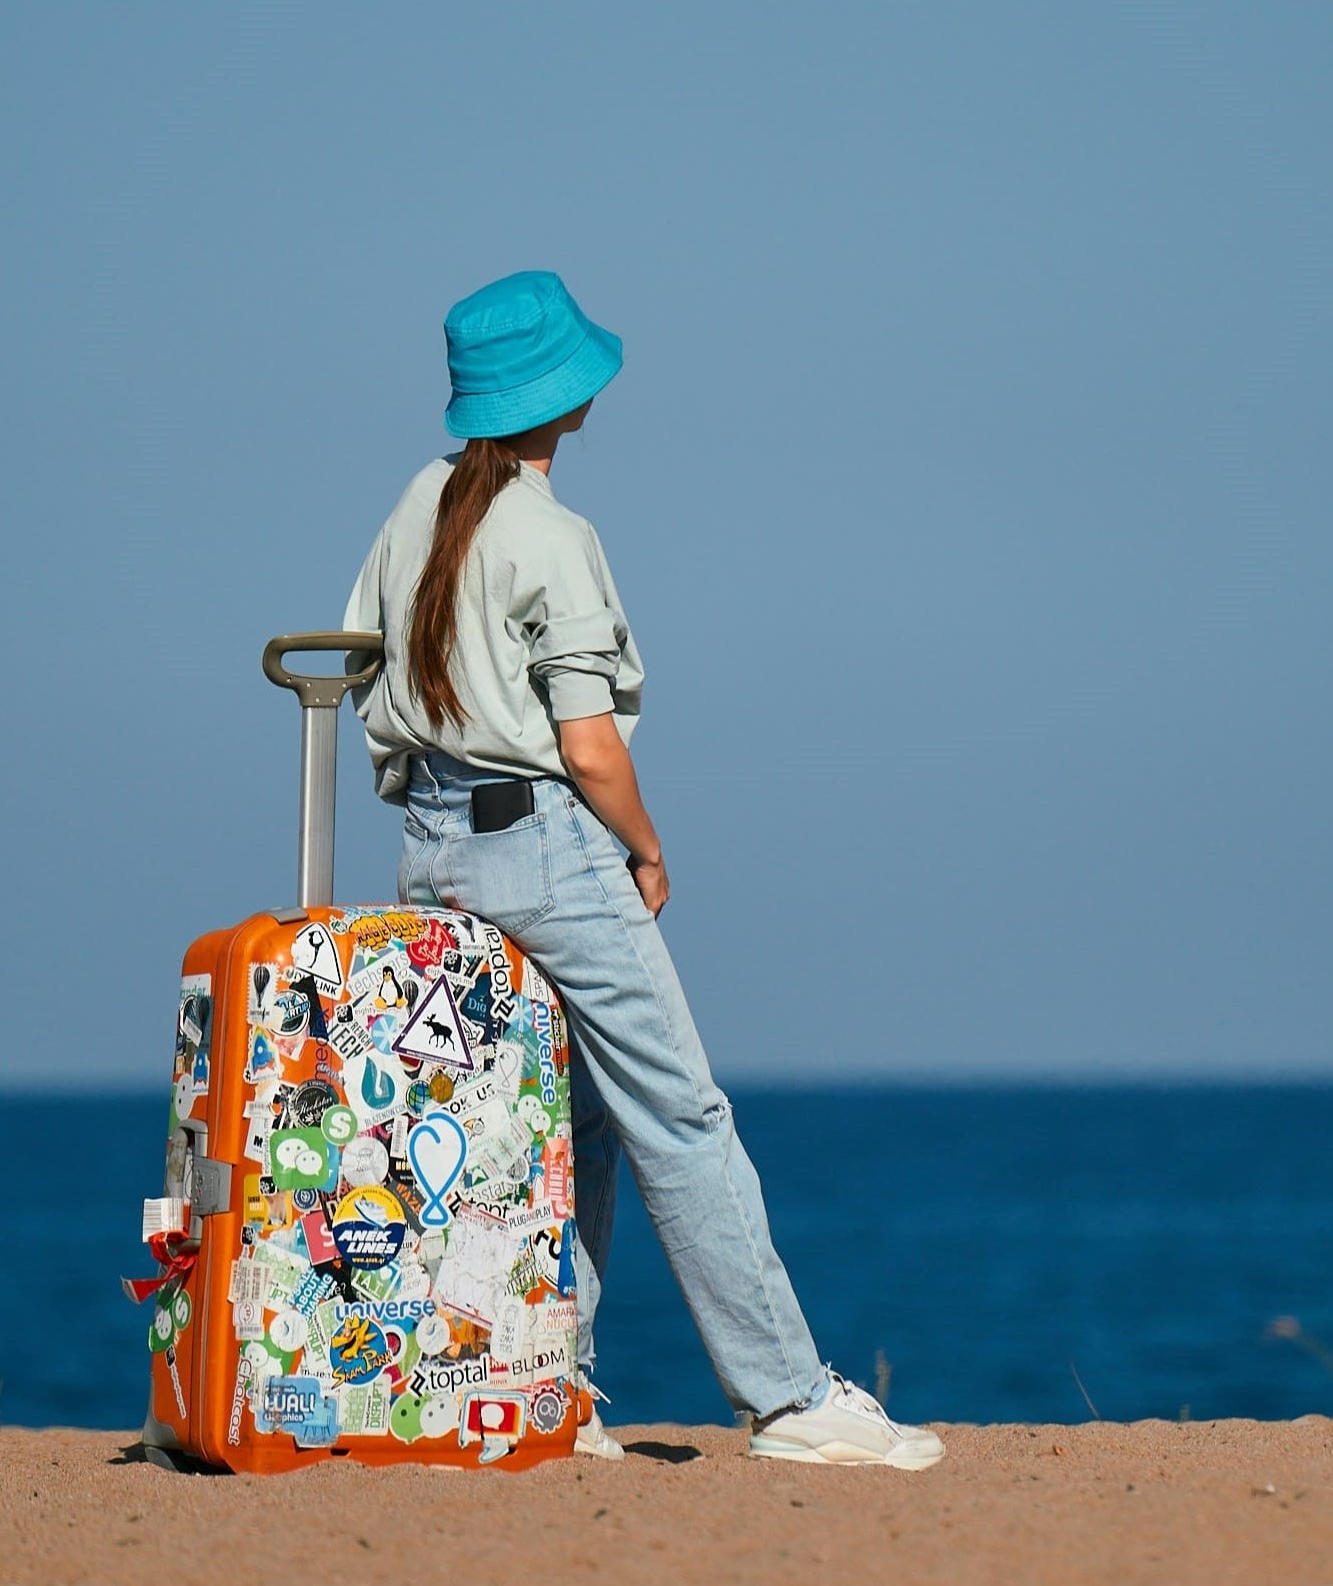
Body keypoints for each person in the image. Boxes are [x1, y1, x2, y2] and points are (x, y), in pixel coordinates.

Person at [342, 270, 942, 1471]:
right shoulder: (551, 535)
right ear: (568, 394)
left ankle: (542, 1381)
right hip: (546, 846)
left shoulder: (418, 501)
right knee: (679, 1109)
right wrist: (645, 845)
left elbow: (365, 667)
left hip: (431, 847)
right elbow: (588, 743)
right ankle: (784, 1397)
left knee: (559, 1122)